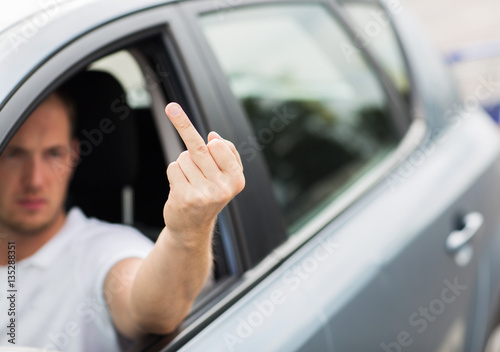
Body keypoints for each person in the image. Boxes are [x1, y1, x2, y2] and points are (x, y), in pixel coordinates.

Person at [0, 91, 245, 351]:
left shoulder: (102, 249)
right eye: (14, 153)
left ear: (73, 155)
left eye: (53, 154)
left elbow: (155, 312)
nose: (34, 180)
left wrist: (189, 229)